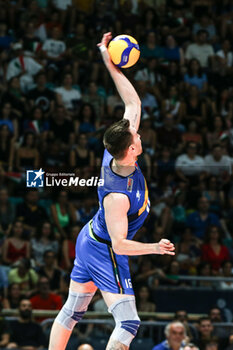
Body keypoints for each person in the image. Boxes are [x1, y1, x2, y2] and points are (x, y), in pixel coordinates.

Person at [48, 32, 175, 350]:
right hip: (105, 248)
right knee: (129, 322)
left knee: (73, 311)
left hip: (90, 238)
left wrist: (108, 57)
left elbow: (133, 102)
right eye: (137, 136)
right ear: (132, 149)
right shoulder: (117, 195)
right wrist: (155, 248)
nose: (139, 133)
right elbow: (120, 246)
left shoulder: (116, 151)